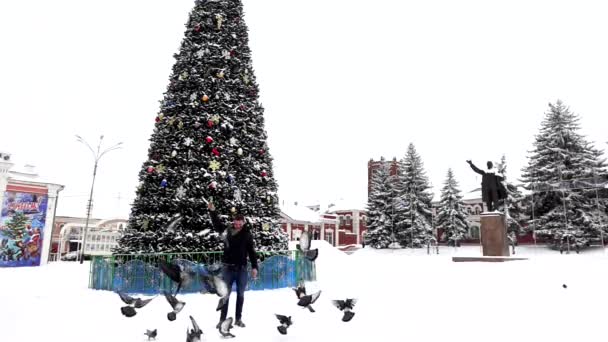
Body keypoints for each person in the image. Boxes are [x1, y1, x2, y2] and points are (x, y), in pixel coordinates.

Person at [208, 201, 258, 328]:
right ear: (233, 221)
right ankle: (222, 320)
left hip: (241, 269)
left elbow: (252, 252)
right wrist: (212, 211)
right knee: (225, 294)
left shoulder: (247, 235)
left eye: (240, 222)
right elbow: (217, 225)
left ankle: (238, 319)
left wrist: (254, 267)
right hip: (227, 268)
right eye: (236, 221)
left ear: (243, 222)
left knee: (240, 294)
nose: (238, 223)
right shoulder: (227, 231)